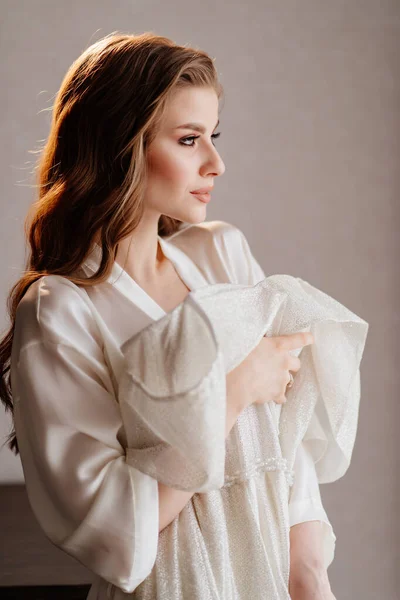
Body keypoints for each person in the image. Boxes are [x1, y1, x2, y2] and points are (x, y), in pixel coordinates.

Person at [0, 31, 364, 599]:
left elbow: (284, 450)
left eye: (212, 136)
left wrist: (309, 574)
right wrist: (232, 393)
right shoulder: (59, 311)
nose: (216, 163)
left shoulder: (222, 254)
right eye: (190, 139)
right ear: (120, 146)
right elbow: (116, 532)